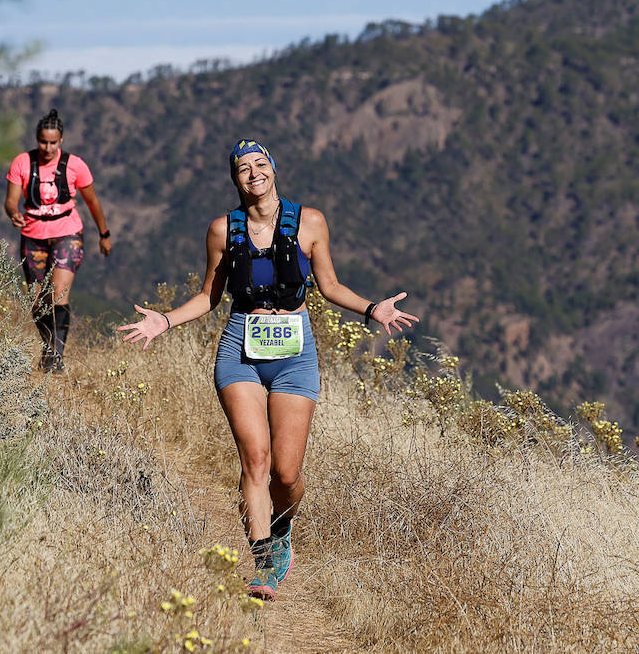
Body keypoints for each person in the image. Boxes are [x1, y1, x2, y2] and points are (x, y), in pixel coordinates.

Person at [117, 139, 418, 600]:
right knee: (254, 459)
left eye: (261, 164)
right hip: (240, 346)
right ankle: (264, 563)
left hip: (295, 353)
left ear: (274, 169)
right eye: (243, 168)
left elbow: (330, 285)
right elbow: (208, 296)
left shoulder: (310, 221)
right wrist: (165, 320)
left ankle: (281, 529)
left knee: (286, 473)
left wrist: (373, 308)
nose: (254, 173)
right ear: (235, 179)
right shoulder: (223, 229)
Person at [4, 109, 112, 373]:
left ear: (61, 140)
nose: (47, 148)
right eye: (43, 142)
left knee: (59, 294)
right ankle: (49, 347)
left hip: (68, 234)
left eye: (53, 142)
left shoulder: (76, 166)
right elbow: (10, 200)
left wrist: (104, 233)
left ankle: (56, 356)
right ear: (37, 139)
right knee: (38, 299)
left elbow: (92, 201)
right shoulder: (22, 163)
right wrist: (13, 212)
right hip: (33, 237)